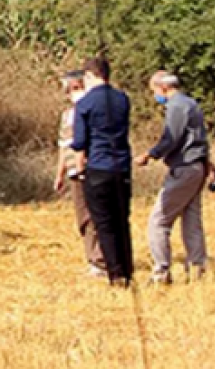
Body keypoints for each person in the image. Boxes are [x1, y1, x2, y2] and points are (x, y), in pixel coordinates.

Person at [135, 71, 211, 284]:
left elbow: (171, 138)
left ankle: (161, 272)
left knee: (158, 220)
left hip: (183, 168)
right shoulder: (192, 104)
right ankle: (197, 268)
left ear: (164, 88)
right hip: (197, 167)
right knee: (191, 219)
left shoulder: (176, 106)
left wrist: (150, 155)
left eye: (154, 91)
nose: (154, 96)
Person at [70, 56, 134, 286]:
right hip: (122, 167)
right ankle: (127, 270)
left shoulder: (85, 104)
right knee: (121, 221)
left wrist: (80, 170)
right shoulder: (122, 99)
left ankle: (115, 274)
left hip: (98, 167)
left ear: (89, 75)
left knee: (104, 223)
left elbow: (79, 142)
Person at [54, 70, 106, 277]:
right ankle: (93, 258)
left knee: (96, 215)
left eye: (76, 88)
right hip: (74, 172)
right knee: (83, 216)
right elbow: (64, 146)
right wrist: (60, 174)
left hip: (92, 168)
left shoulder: (96, 112)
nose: (72, 93)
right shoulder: (67, 116)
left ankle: (101, 260)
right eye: (69, 90)